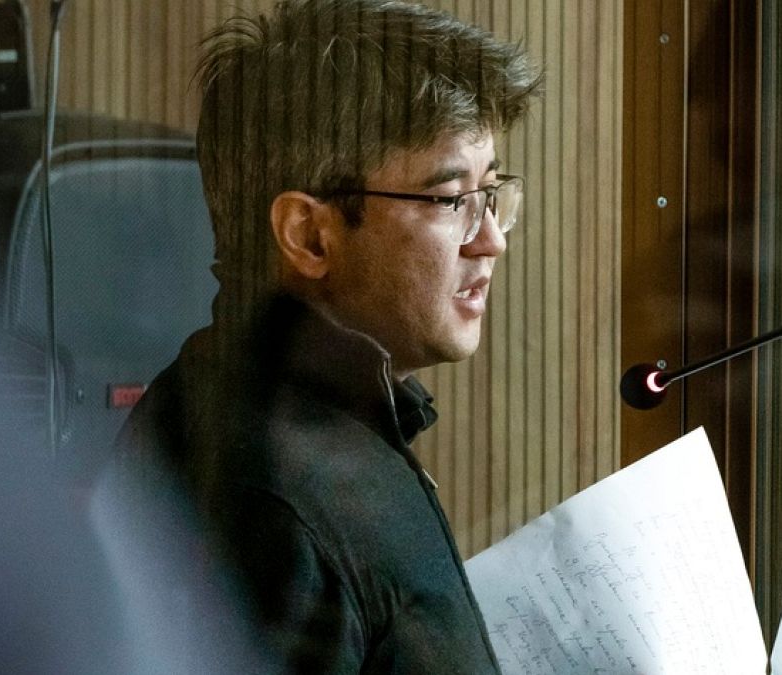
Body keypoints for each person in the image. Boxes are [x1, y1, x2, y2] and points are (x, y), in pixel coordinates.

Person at [114, 0, 542, 672]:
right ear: (310, 235)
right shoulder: (274, 499)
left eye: (492, 194)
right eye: (452, 200)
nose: (490, 240)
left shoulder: (246, 397)